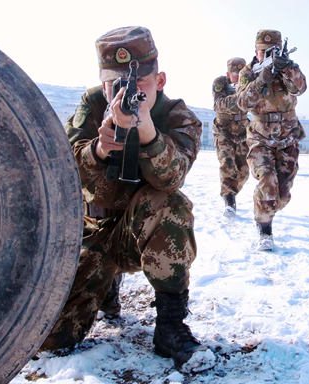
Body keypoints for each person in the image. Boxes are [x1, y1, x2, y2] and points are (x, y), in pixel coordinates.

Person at [39, 26, 214, 373]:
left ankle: (170, 326)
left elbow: (172, 177)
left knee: (171, 205)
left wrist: (148, 132)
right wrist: (99, 149)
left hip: (141, 232)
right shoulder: (90, 105)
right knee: (51, 339)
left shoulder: (178, 116)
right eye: (114, 84)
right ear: (102, 83)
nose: (126, 92)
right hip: (93, 231)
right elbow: (62, 171)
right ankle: (106, 286)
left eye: (139, 82)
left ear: (160, 80)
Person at [236, 29, 307, 251]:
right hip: (260, 137)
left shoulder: (289, 68)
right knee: (266, 178)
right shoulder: (248, 73)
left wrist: (285, 68)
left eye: (272, 51)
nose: (267, 55)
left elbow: (301, 88)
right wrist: (261, 79)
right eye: (263, 51)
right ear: (255, 51)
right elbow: (242, 103)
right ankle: (265, 230)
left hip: (287, 136)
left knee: (282, 194)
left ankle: (266, 206)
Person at [211, 57, 250, 217]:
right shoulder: (220, 83)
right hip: (223, 130)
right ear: (228, 74)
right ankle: (229, 199)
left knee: (244, 171)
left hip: (243, 131)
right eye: (235, 74)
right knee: (227, 163)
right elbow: (219, 104)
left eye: (241, 74)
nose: (238, 77)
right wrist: (241, 96)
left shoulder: (249, 82)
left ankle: (232, 190)